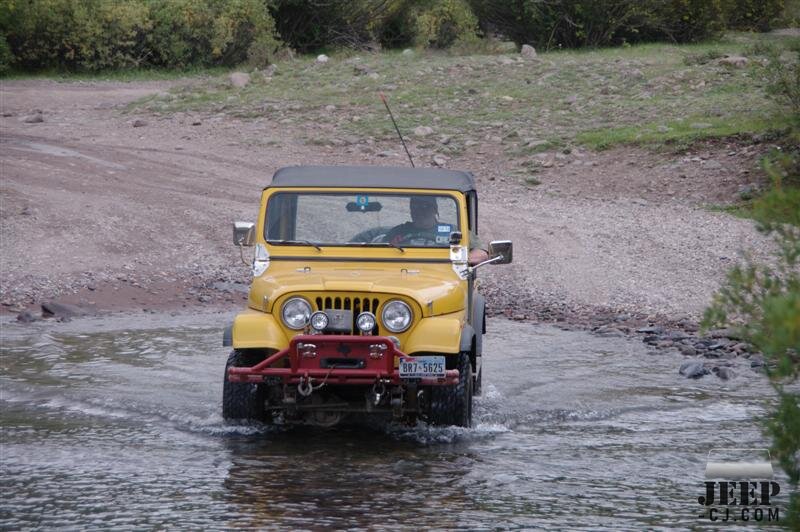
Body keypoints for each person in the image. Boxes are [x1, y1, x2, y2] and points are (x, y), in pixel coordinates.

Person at [383, 196, 489, 265]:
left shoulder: (454, 231)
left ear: (434, 210)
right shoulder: (399, 231)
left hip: (444, 273)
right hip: (402, 272)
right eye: (415, 207)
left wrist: (460, 259)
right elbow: (379, 250)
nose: (420, 212)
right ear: (411, 210)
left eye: (425, 207)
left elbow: (481, 252)